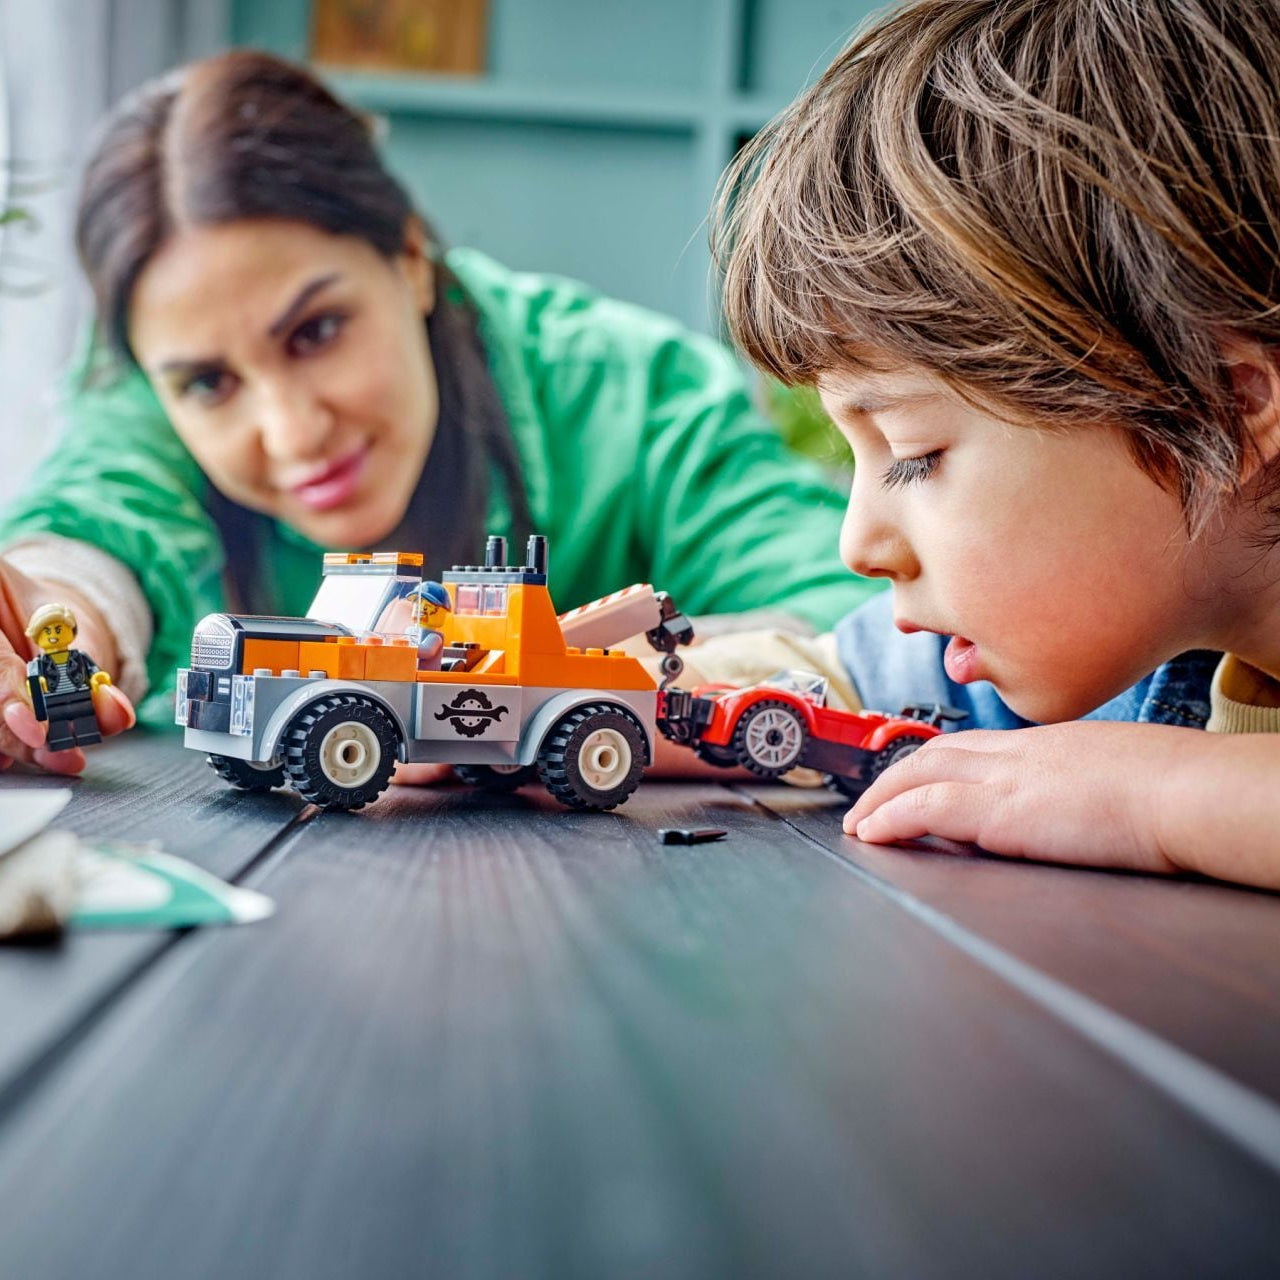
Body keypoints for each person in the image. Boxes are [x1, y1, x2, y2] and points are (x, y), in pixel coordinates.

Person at [0, 49, 880, 778]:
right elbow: (96, 522)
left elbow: (856, 624)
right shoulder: (146, 407)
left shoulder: (636, 391)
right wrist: (49, 618)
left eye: (317, 332)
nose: (293, 431)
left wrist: (591, 695)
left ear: (412, 258)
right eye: (208, 385)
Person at [711, 0, 1280, 888]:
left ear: (1221, 404)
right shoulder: (1118, 619)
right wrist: (579, 702)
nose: (857, 544)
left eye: (914, 456)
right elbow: (830, 684)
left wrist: (1159, 796)